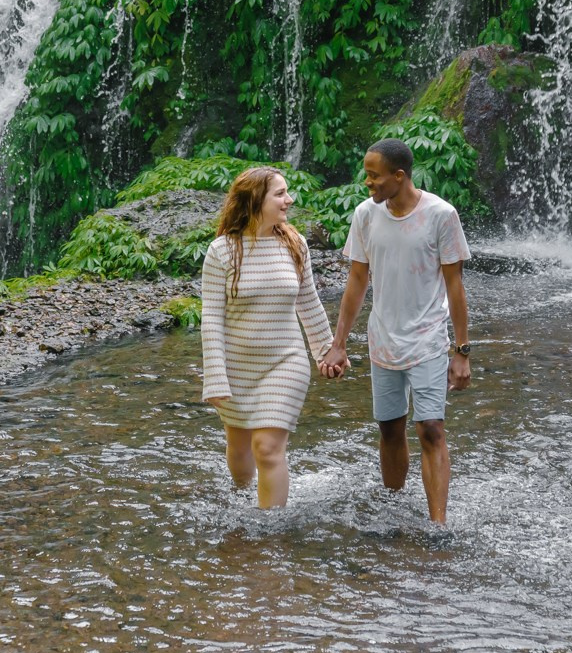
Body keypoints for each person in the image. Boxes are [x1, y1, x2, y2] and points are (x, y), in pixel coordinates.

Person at [317, 138, 471, 525]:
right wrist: (338, 345)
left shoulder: (441, 215)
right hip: (383, 339)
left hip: (428, 339)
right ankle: (394, 509)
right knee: (389, 429)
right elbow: (357, 281)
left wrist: (462, 351)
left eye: (374, 176)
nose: (367, 182)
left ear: (399, 176)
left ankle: (438, 525)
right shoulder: (365, 215)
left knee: (431, 428)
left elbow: (455, 286)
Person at [199, 167, 334, 508]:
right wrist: (215, 377)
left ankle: (270, 527)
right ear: (256, 199)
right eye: (280, 194)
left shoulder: (295, 243)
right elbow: (211, 318)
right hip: (237, 366)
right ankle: (242, 501)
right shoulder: (222, 250)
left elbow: (309, 302)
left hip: (285, 361)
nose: (289, 199)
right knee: (239, 445)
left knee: (267, 448)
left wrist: (327, 351)